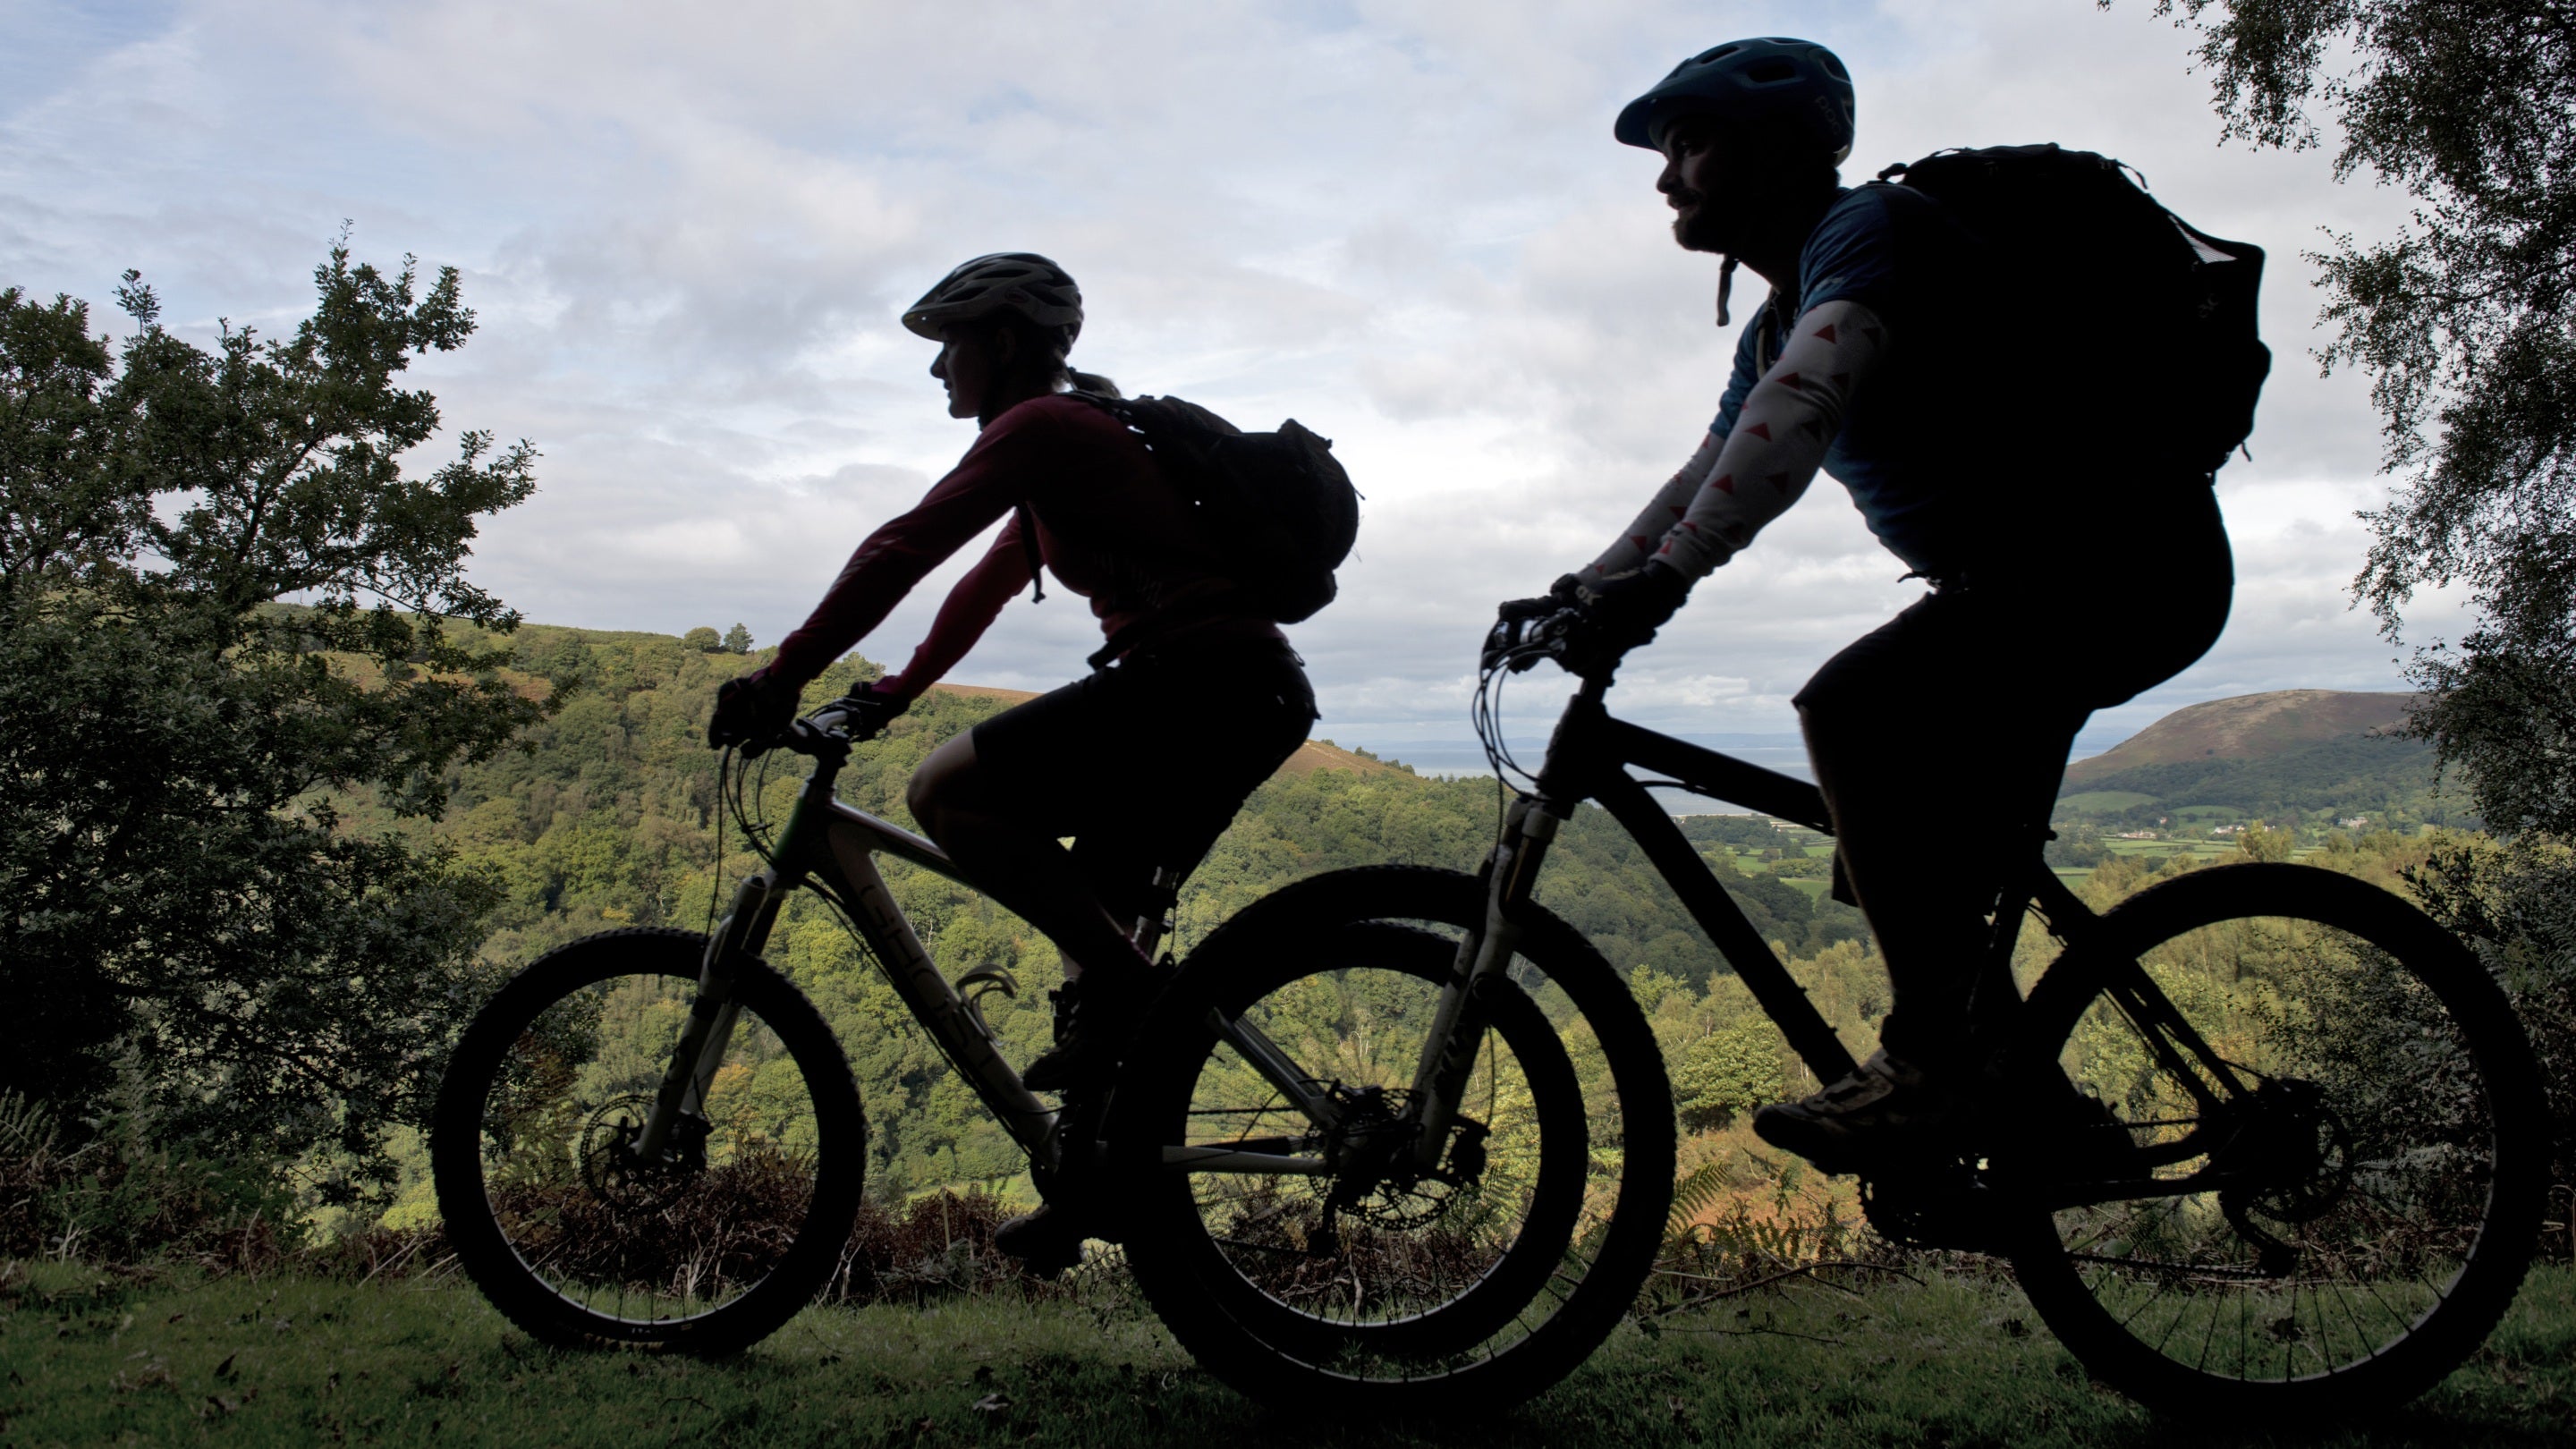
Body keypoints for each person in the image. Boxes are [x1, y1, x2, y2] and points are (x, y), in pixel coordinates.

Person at [1552, 39, 2233, 1171]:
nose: (1666, 180)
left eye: (1691, 145)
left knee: (1856, 712)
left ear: (1776, 148)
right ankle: (2036, 1109)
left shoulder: (1868, 232)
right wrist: (1590, 583)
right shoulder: (1784, 310)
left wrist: (1667, 580)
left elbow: (1806, 398)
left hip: (2117, 562)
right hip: (2046, 583)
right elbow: (1712, 458)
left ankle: (1934, 1070)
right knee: (1903, 836)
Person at [708, 250, 1317, 1130]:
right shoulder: (1067, 447)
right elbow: (979, 589)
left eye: (948, 343)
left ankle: (1146, 1000)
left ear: (999, 342)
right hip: (1232, 695)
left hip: (1202, 687)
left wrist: (779, 679)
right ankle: (1089, 1185)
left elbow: (901, 549)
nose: (934, 366)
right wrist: (889, 694)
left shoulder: (1045, 429)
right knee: (1094, 951)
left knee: (944, 791)